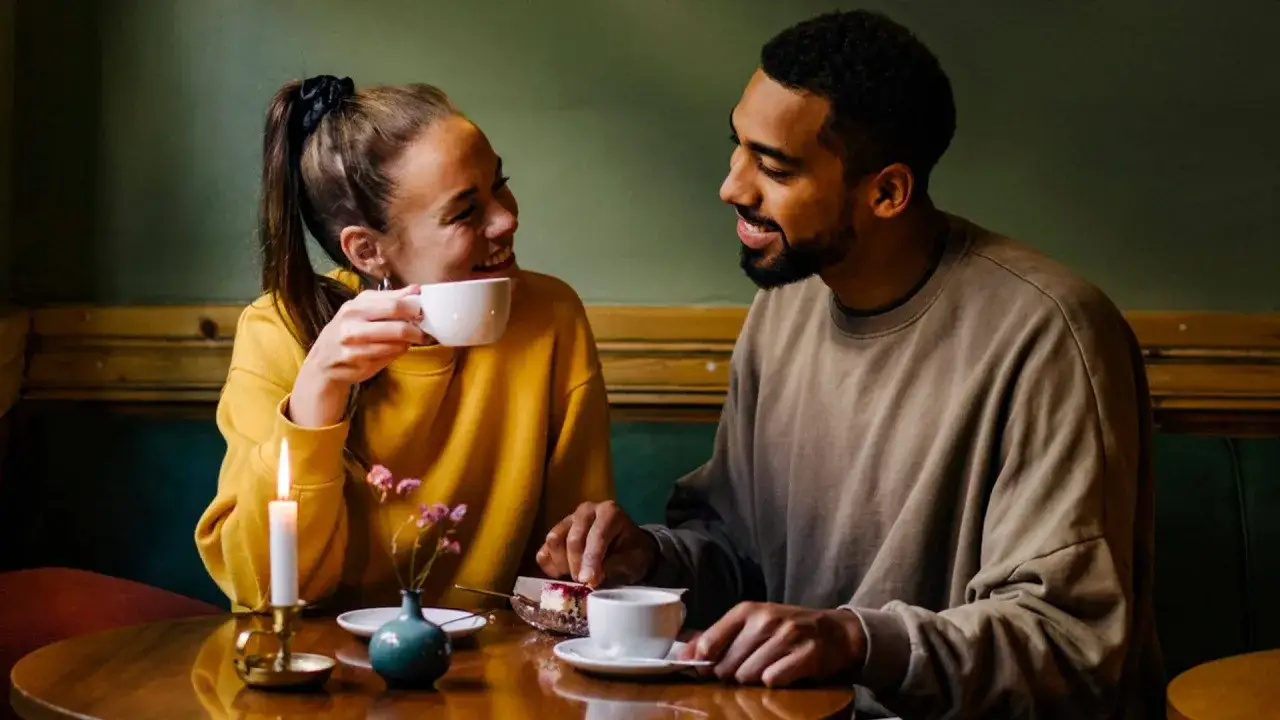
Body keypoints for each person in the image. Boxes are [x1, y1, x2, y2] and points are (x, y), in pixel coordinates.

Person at [536, 10, 1164, 718]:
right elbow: (739, 554)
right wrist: (648, 561)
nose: (733, 187)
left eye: (773, 167)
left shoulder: (1052, 335)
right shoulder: (788, 302)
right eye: (737, 148)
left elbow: (1069, 645)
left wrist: (858, 641)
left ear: (888, 192)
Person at [196, 76, 614, 614]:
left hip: (495, 671)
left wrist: (595, 549)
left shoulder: (549, 317)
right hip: (324, 672)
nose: (507, 218)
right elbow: (262, 592)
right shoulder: (280, 331)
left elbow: (570, 574)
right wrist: (315, 398)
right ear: (368, 251)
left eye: (499, 183)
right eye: (465, 212)